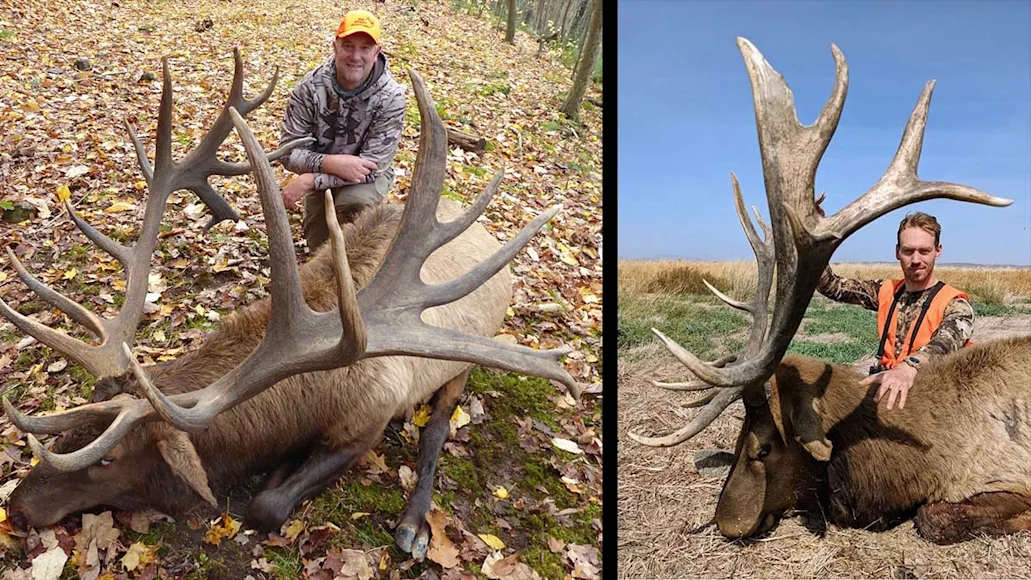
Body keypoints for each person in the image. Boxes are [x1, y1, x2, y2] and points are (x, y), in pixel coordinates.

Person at [816, 212, 974, 411]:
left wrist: (908, 368)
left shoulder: (956, 304)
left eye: (924, 251)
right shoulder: (886, 290)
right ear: (897, 252)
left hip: (937, 401)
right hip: (889, 390)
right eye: (908, 251)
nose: (916, 259)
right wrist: (820, 242)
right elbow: (832, 286)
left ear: (938, 251)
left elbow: (946, 342)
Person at [278, 9, 406, 251]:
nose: (355, 56)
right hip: (323, 171)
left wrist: (311, 180)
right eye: (348, 46)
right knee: (319, 245)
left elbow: (371, 169)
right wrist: (330, 164)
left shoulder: (392, 97)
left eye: (365, 48)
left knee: (354, 208)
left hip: (366, 179)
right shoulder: (308, 89)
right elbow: (287, 153)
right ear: (335, 46)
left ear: (377, 52)